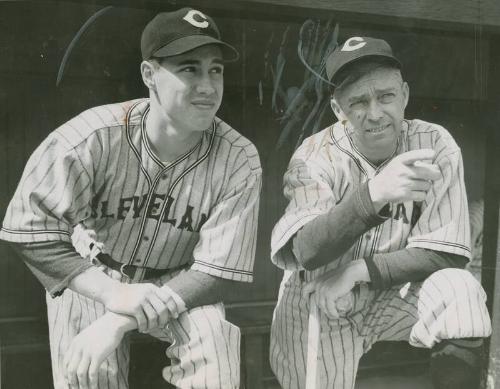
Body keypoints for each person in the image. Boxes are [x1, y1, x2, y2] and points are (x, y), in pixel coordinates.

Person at [0, 8, 261, 389]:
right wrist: (113, 295)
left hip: (179, 282)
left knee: (216, 347)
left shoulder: (239, 158)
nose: (208, 85)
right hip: (93, 274)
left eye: (215, 70)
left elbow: (219, 271)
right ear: (149, 75)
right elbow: (27, 228)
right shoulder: (93, 136)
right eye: (189, 69)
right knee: (86, 373)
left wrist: (119, 318)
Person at [269, 36, 491, 389]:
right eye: (358, 101)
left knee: (460, 292)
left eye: (385, 97)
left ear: (404, 95)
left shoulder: (434, 143)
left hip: (391, 293)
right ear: (338, 109)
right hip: (319, 298)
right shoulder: (315, 155)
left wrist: (360, 270)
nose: (375, 113)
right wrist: (374, 194)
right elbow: (305, 251)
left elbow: (446, 253)